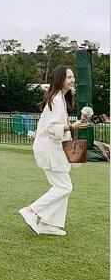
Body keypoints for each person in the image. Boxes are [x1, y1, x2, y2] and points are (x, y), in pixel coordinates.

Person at [19, 66, 90, 236]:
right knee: (64, 187)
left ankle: (48, 223)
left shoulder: (60, 99)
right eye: (69, 77)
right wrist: (72, 127)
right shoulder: (56, 101)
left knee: (62, 186)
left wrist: (75, 125)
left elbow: (54, 126)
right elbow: (52, 128)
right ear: (60, 79)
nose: (73, 80)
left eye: (73, 76)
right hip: (50, 150)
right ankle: (31, 211)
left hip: (55, 149)